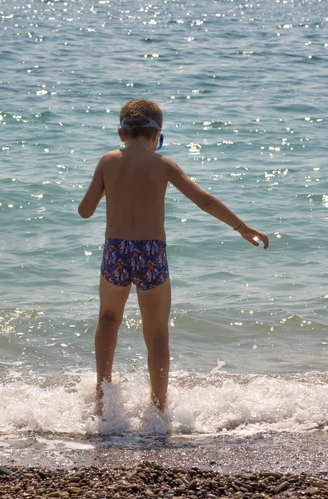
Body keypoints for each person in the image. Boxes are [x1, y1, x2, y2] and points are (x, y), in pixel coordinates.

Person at [78, 99, 269, 413]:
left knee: (108, 319)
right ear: (157, 135)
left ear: (120, 133)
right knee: (156, 331)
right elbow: (204, 201)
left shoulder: (107, 161)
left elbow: (85, 211)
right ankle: (158, 407)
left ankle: (102, 397)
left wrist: (106, 186)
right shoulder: (163, 164)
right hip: (151, 252)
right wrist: (241, 227)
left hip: (116, 251)